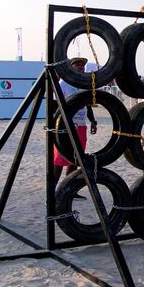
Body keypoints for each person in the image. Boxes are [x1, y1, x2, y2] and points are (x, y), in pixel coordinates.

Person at [53, 57, 98, 193]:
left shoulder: (83, 85)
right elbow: (55, 105)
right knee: (60, 158)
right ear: (71, 68)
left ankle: (70, 189)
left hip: (81, 125)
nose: (81, 67)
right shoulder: (63, 84)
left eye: (83, 65)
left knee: (76, 158)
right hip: (66, 126)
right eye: (77, 64)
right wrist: (57, 124)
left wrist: (93, 121)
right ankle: (53, 189)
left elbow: (87, 105)